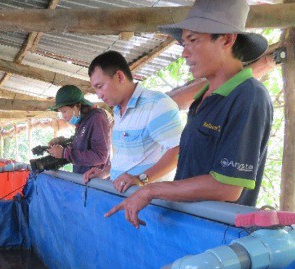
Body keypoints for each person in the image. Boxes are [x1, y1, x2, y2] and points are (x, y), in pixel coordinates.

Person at [105, 0, 273, 228]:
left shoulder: (249, 96)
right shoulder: (201, 101)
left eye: (193, 41)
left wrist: (151, 190)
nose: (184, 53)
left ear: (226, 39)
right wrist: (142, 179)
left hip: (218, 234)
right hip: (189, 226)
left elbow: (228, 187)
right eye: (184, 43)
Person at [84, 50, 183, 193]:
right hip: (123, 199)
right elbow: (125, 157)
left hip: (149, 204)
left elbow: (179, 151)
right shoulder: (118, 112)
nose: (99, 95)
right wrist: (104, 172)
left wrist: (142, 179)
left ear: (119, 76)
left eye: (100, 87)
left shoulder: (156, 104)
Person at [47, 85, 111, 174]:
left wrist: (65, 153)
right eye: (61, 112)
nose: (63, 116)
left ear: (77, 105)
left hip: (95, 182)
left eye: (64, 111)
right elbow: (83, 144)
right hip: (83, 179)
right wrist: (62, 142)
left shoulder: (97, 118)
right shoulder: (82, 121)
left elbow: (100, 156)